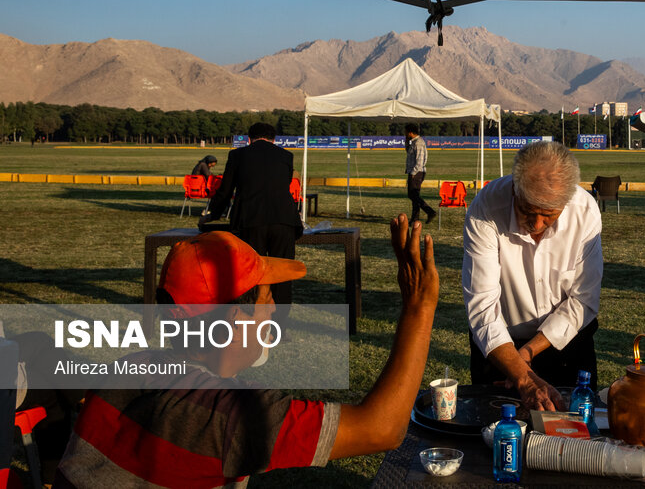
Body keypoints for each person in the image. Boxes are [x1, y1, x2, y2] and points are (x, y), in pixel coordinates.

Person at [55, 217, 438, 488]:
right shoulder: (225, 415)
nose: (272, 311)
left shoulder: (131, 365)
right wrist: (419, 308)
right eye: (266, 298)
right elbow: (380, 430)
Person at [462, 141, 603, 411]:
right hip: (499, 346)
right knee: (497, 434)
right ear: (515, 189)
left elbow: (583, 300)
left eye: (548, 215)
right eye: (527, 211)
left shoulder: (584, 211)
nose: (536, 224)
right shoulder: (487, 208)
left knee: (571, 438)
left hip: (569, 345)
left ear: (567, 200)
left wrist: (526, 353)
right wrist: (518, 370)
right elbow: (482, 305)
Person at [206, 123, 302, 312]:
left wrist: (212, 215)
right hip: (284, 220)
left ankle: (250, 320)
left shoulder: (237, 155)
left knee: (250, 273)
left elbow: (225, 191)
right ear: (274, 140)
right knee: (282, 274)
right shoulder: (286, 156)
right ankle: (279, 326)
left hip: (250, 220)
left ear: (249, 139)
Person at [404, 123, 436, 223]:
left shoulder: (418, 143)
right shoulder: (413, 142)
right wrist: (406, 141)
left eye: (405, 132)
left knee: (413, 195)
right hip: (414, 171)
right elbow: (408, 152)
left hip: (417, 172)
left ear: (410, 132)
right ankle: (414, 219)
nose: (404, 134)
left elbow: (420, 160)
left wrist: (413, 173)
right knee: (414, 196)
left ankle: (429, 211)